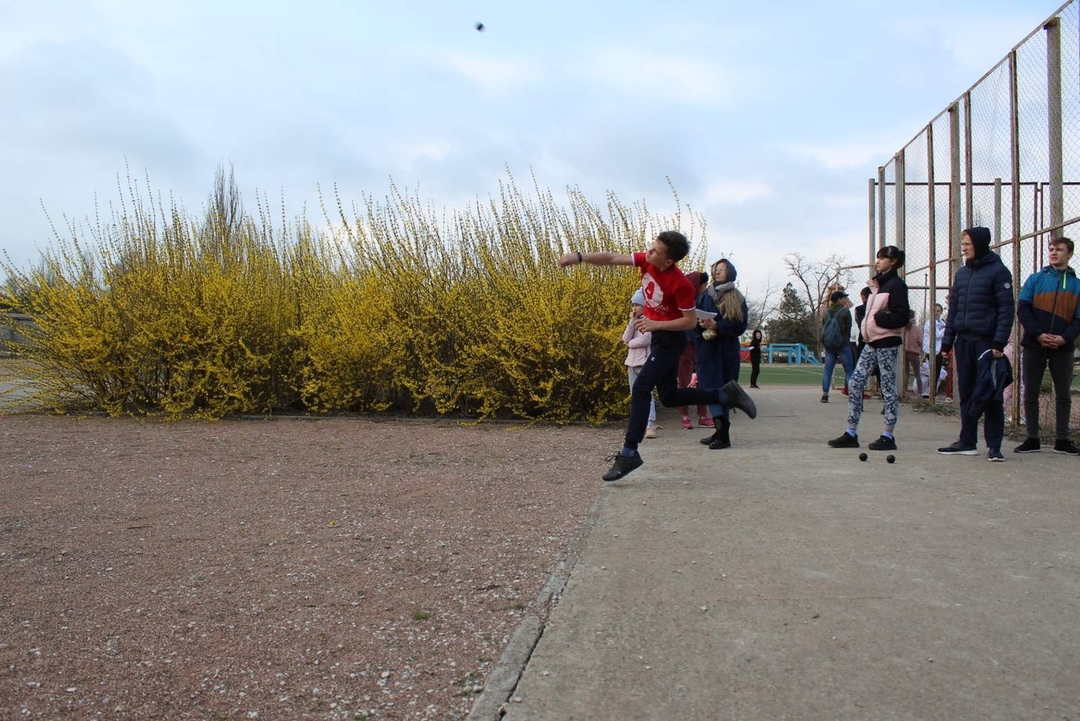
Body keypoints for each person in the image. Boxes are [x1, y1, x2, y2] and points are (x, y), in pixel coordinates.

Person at [558, 232, 757, 481]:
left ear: (669, 261)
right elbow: (610, 258)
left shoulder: (680, 284)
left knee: (641, 388)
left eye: (655, 251)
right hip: (658, 336)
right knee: (670, 396)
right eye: (651, 247)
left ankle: (630, 452)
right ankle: (724, 394)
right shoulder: (647, 261)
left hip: (671, 341)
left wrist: (655, 324)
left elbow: (689, 321)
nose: (649, 253)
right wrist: (578, 257)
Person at [937, 226, 1015, 461]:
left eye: (968, 244)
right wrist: (947, 342)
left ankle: (994, 447)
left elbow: (1006, 309)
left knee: (991, 394)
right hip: (964, 342)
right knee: (967, 392)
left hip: (987, 344)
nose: (964, 248)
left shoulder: (999, 272)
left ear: (980, 244)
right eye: (963, 244)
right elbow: (954, 311)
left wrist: (999, 344)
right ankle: (967, 441)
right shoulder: (961, 274)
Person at [827, 245, 910, 451]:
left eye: (882, 258)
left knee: (888, 388)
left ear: (893, 261)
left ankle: (888, 435)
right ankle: (851, 432)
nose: (877, 261)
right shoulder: (876, 286)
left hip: (887, 343)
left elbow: (902, 316)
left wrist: (879, 318)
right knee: (855, 382)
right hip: (871, 343)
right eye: (877, 258)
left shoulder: (897, 286)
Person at [1013, 236, 1080, 455]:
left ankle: (1062, 439)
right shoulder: (1035, 279)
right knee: (1030, 392)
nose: (1053, 252)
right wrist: (1039, 334)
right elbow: (1023, 309)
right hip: (1034, 344)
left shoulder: (1076, 285)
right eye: (1051, 249)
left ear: (1069, 254)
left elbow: (1079, 319)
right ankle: (1032, 438)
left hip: (1063, 347)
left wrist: (1065, 338)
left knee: (1063, 394)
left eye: (1059, 249)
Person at [694, 259, 748, 450]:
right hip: (707, 350)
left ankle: (723, 435)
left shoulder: (737, 297)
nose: (717, 272)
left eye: (722, 270)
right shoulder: (704, 295)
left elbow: (741, 326)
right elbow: (692, 320)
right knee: (710, 391)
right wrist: (700, 325)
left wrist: (718, 325)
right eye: (716, 269)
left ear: (730, 273)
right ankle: (719, 432)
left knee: (723, 392)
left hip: (726, 352)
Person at [677, 271, 711, 430]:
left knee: (702, 380)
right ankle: (684, 415)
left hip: (701, 345)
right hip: (685, 346)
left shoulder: (704, 301)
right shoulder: (683, 302)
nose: (704, 288)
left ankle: (702, 415)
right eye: (703, 285)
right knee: (684, 381)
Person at [622, 289, 658, 439]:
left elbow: (645, 339)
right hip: (631, 362)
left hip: (644, 362)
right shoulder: (634, 322)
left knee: (646, 394)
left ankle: (650, 424)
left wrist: (630, 343)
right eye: (633, 305)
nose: (634, 308)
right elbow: (624, 338)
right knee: (634, 395)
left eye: (637, 304)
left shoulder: (649, 321)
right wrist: (631, 323)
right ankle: (638, 424)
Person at [820, 290, 854, 403]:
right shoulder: (845, 312)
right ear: (839, 300)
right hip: (842, 344)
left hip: (829, 345)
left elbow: (824, 328)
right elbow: (848, 329)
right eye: (843, 298)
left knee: (828, 370)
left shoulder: (826, 313)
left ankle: (825, 394)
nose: (845, 300)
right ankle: (851, 394)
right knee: (849, 370)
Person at [922, 303, 946, 398]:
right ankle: (929, 392)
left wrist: (944, 328)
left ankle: (932, 392)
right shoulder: (930, 323)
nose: (936, 313)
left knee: (937, 371)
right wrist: (945, 329)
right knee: (933, 371)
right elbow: (938, 335)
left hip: (938, 350)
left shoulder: (940, 322)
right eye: (935, 310)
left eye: (938, 311)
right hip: (931, 350)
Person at [903, 311, 924, 398]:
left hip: (905, 352)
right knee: (917, 373)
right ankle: (920, 393)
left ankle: (904, 390)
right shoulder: (917, 329)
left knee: (906, 372)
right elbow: (920, 341)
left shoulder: (904, 328)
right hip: (914, 353)